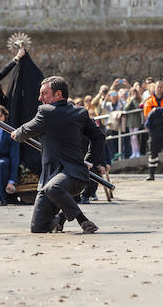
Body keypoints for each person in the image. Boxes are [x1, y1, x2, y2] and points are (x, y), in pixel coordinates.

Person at [12, 76, 105, 234]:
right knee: (38, 228)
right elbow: (99, 137)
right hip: (51, 176)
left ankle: (84, 221)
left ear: (58, 94)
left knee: (53, 188)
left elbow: (23, 132)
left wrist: (16, 133)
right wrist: (91, 160)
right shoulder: (80, 112)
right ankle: (60, 218)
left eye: (44, 94)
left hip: (73, 176)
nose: (40, 98)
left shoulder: (46, 112)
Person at [143, 81, 163, 181]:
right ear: (154, 88)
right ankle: (151, 174)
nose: (159, 89)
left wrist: (155, 110)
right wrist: (161, 111)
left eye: (161, 87)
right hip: (154, 131)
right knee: (153, 153)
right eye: (158, 87)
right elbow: (147, 113)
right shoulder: (149, 100)